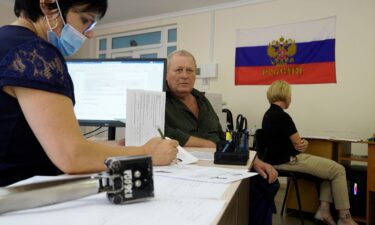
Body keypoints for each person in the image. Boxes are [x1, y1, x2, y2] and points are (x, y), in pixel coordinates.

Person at [0, 0, 178, 187]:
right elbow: (72, 156)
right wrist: (146, 152)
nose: (90, 34)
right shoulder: (35, 53)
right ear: (47, 6)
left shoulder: (6, 40)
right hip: (17, 199)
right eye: (85, 20)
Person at [165, 49, 279, 225]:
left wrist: (251, 157)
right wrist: (207, 144)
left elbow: (222, 135)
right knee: (254, 191)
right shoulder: (160, 101)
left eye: (190, 70)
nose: (184, 75)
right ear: (167, 74)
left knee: (266, 180)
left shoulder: (202, 100)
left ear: (195, 74)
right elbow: (166, 134)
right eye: (178, 70)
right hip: (187, 171)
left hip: (221, 162)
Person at [261, 80, 358, 225]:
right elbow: (299, 144)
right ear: (286, 96)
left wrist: (300, 144)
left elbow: (287, 142)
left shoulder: (267, 115)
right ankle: (345, 218)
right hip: (288, 161)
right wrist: (304, 143)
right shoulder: (283, 116)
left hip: (275, 161)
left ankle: (324, 211)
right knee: (338, 170)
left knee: (328, 172)